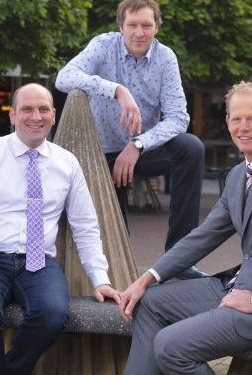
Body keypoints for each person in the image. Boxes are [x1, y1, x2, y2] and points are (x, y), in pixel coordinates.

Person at [118, 81, 252, 374]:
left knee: (170, 346)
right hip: (237, 286)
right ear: (227, 121)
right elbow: (203, 236)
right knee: (150, 301)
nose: (243, 127)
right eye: (236, 118)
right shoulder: (237, 175)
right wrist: (147, 278)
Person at [0, 83, 120, 375]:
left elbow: (86, 225)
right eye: (27, 109)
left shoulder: (67, 163)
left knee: (52, 314)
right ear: (13, 115)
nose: (36, 116)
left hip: (38, 262)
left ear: (54, 115)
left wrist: (99, 278)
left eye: (43, 109)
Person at [55, 0, 206, 279]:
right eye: (132, 25)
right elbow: (64, 77)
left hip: (140, 149)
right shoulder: (103, 45)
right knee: (115, 243)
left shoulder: (165, 58)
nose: (139, 32)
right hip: (100, 154)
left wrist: (138, 144)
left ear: (156, 27)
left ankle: (180, 259)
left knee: (191, 149)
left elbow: (178, 118)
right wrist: (117, 90)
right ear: (121, 27)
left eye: (147, 25)